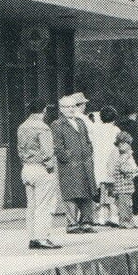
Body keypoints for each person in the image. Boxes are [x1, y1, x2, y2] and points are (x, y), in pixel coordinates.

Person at [16, 102, 61, 250]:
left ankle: (32, 237)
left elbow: (20, 150)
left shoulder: (22, 127)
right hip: (41, 168)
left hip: (27, 168)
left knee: (31, 205)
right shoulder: (43, 127)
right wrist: (49, 165)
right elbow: (47, 151)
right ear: (44, 110)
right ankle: (42, 237)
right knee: (45, 205)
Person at [51, 92, 98, 234]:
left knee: (87, 191)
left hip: (85, 163)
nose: (71, 109)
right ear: (61, 109)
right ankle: (72, 224)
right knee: (71, 194)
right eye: (67, 107)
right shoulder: (57, 124)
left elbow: (88, 141)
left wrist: (89, 152)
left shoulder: (80, 122)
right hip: (70, 165)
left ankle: (86, 222)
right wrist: (68, 157)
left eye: (73, 106)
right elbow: (57, 147)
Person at [88, 105, 123, 227]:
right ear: (114, 119)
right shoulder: (116, 130)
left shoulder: (95, 129)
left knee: (101, 193)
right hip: (111, 164)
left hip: (98, 164)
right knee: (112, 193)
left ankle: (101, 217)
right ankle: (113, 217)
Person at [112, 132, 138, 228]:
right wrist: (136, 169)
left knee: (128, 205)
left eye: (125, 143)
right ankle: (124, 222)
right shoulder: (123, 157)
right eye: (119, 144)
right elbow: (124, 169)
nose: (122, 146)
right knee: (124, 206)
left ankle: (129, 220)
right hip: (122, 187)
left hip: (126, 186)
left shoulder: (125, 156)